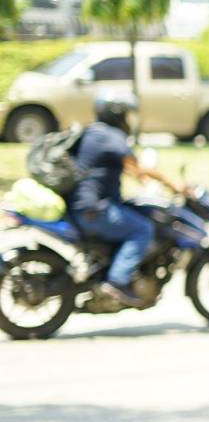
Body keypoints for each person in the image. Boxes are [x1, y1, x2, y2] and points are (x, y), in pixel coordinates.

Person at [67, 89, 183, 307]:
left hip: (82, 207)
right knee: (143, 229)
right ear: (117, 114)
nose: (128, 120)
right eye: (126, 115)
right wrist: (172, 184)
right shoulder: (111, 136)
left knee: (132, 213)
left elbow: (126, 170)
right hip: (95, 210)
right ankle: (118, 281)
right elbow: (137, 168)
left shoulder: (93, 132)